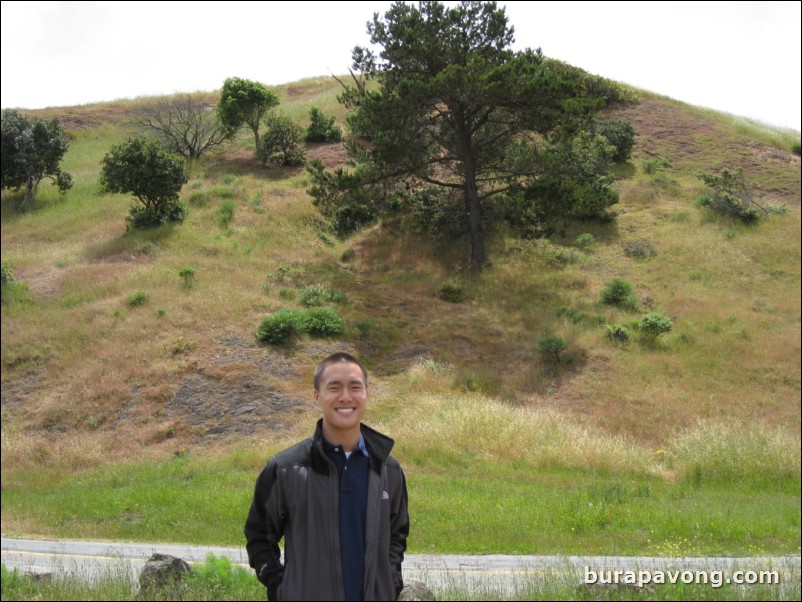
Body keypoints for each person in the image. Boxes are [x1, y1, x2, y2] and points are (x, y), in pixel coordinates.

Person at [245, 352, 409, 601]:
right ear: (317, 396)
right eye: (334, 388)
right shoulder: (286, 469)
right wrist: (282, 587)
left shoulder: (389, 471)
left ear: (366, 394)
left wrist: (391, 583)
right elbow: (259, 536)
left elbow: (397, 536)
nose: (345, 396)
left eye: (355, 387)